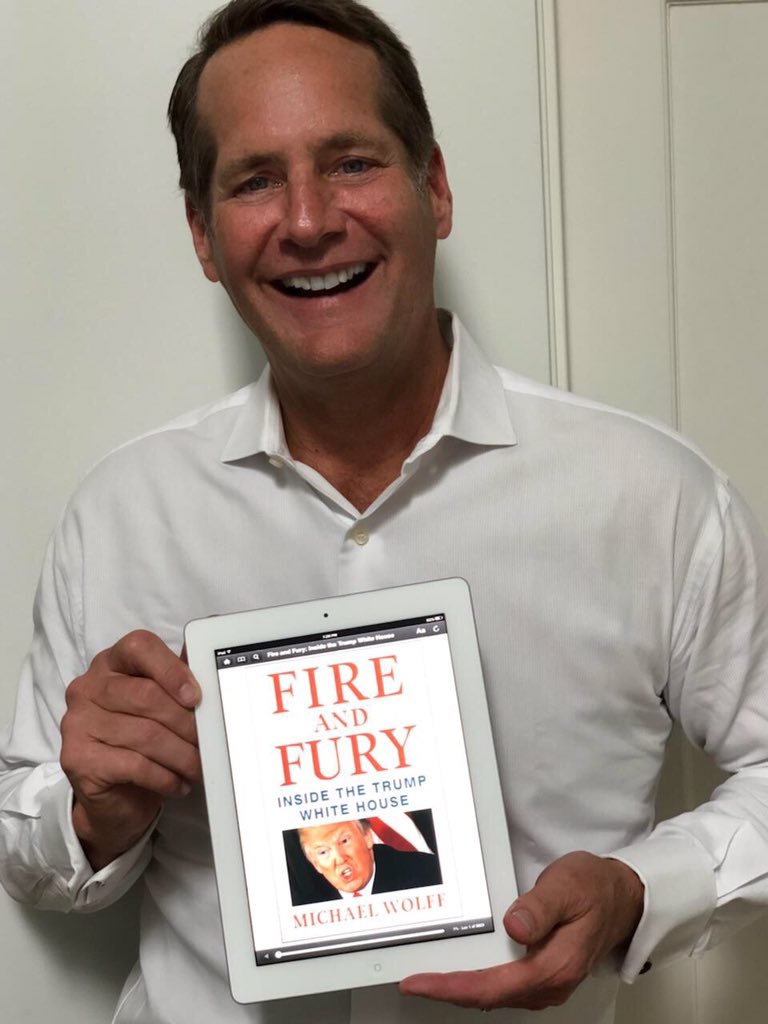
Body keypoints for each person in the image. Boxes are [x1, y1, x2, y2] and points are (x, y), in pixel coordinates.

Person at [0, 1, 766, 1022]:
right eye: (255, 180)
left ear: (434, 187)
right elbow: (28, 842)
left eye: (352, 162)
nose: (308, 220)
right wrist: (95, 813)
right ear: (202, 234)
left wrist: (641, 892)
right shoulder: (122, 513)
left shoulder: (654, 497)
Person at [290, 819, 442, 903]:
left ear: (367, 837)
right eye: (323, 852)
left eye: (344, 841)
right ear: (316, 864)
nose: (340, 859)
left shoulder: (428, 874)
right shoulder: (306, 905)